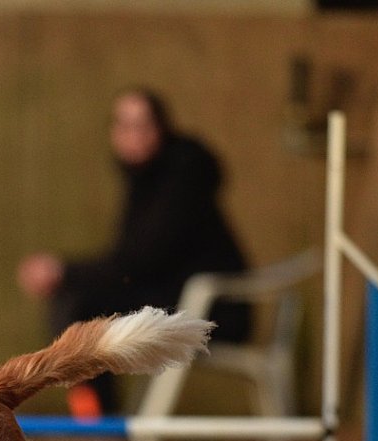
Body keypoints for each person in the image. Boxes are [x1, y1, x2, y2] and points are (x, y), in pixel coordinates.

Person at [17, 87, 251, 417]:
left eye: (142, 125)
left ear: (162, 128)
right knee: (76, 301)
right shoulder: (145, 180)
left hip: (211, 310)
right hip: (172, 297)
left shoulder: (182, 177)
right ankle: (93, 418)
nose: (133, 135)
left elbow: (142, 259)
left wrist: (63, 272)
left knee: (81, 307)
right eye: (124, 125)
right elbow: (133, 261)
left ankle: (97, 422)